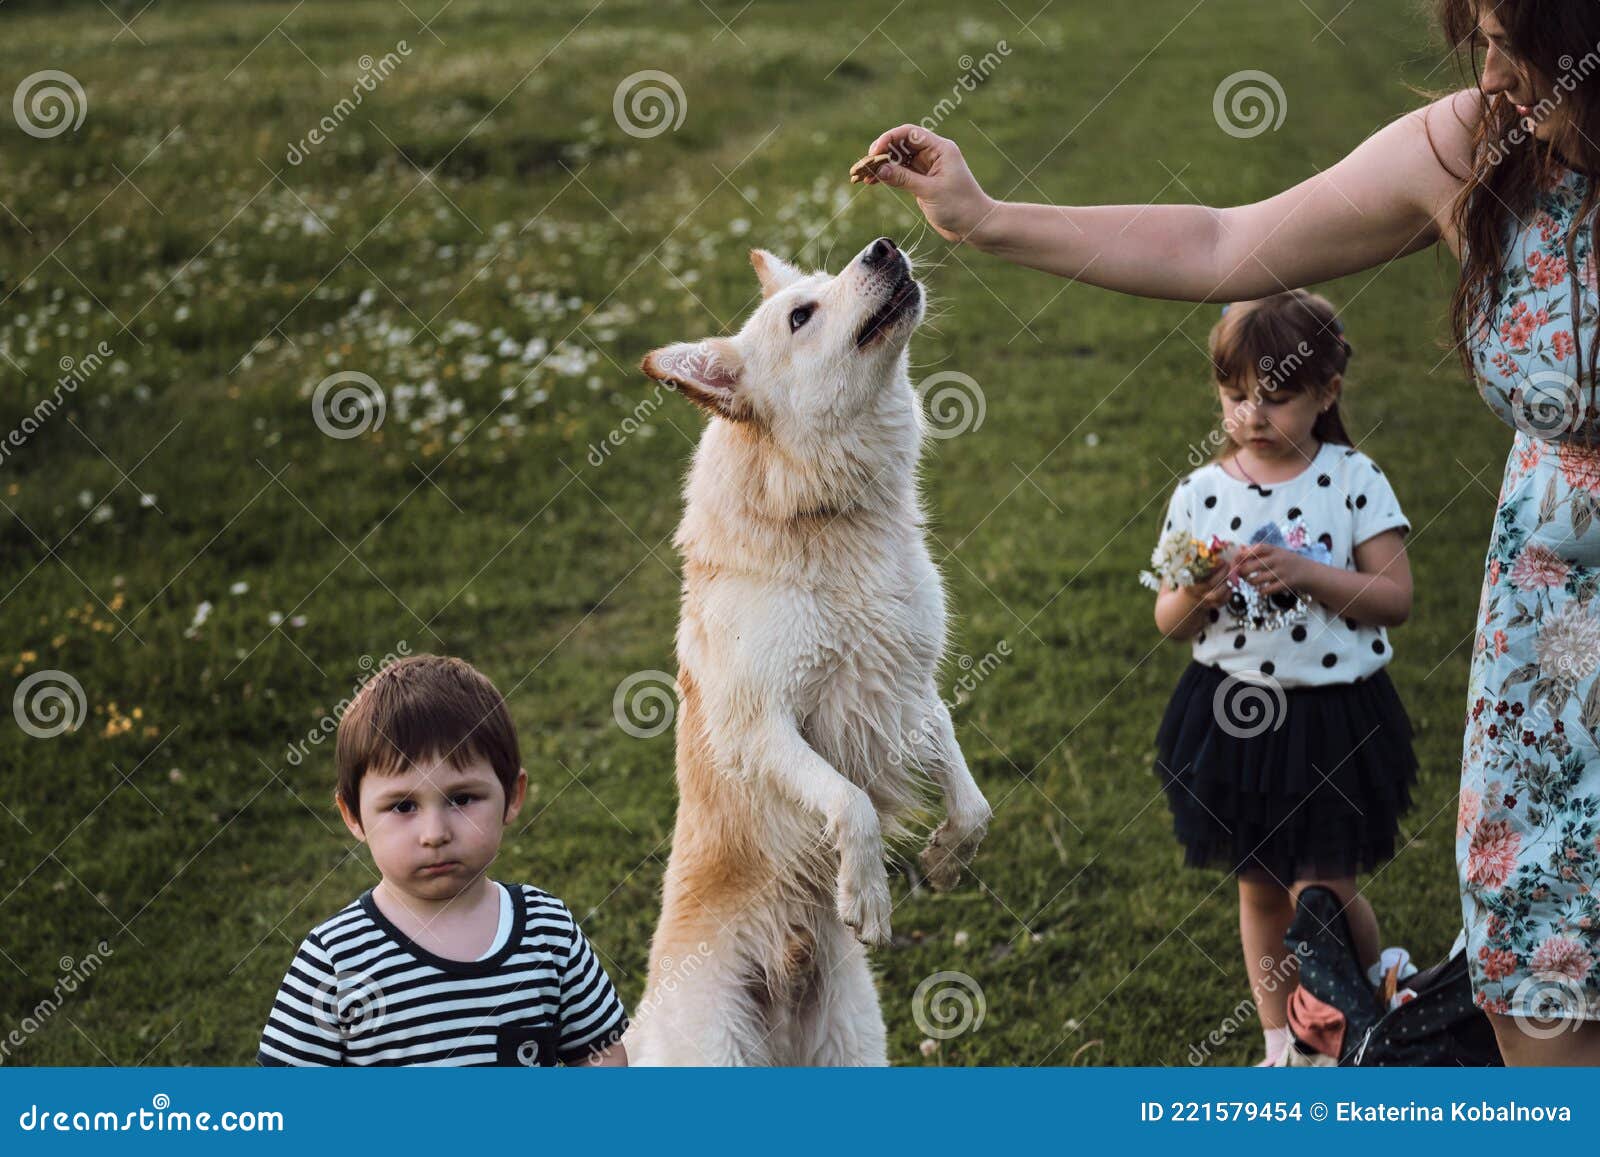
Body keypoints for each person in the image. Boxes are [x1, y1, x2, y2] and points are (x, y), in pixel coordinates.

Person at [861, 0, 1600, 1065]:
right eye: (1475, 33)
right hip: (1550, 653)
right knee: (1550, 1007)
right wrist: (984, 218)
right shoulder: (1481, 146)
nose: (1488, 70)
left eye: (1509, 37)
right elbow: (1224, 238)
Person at [1150, 290, 1416, 1066]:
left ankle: (1371, 983)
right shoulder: (1201, 492)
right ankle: (1283, 1042)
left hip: (1333, 712)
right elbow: (1168, 618)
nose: (1251, 417)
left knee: (1325, 882)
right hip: (1236, 715)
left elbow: (1394, 599)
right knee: (1262, 883)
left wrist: (1307, 570)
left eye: (1275, 399)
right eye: (1235, 398)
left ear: (1325, 392)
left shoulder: (1351, 477)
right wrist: (1199, 592)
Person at [257, 654, 629, 1066]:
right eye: (402, 806)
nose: (435, 834)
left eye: (462, 799)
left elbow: (602, 1054)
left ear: (512, 796)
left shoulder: (547, 929)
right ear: (353, 816)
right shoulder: (336, 961)